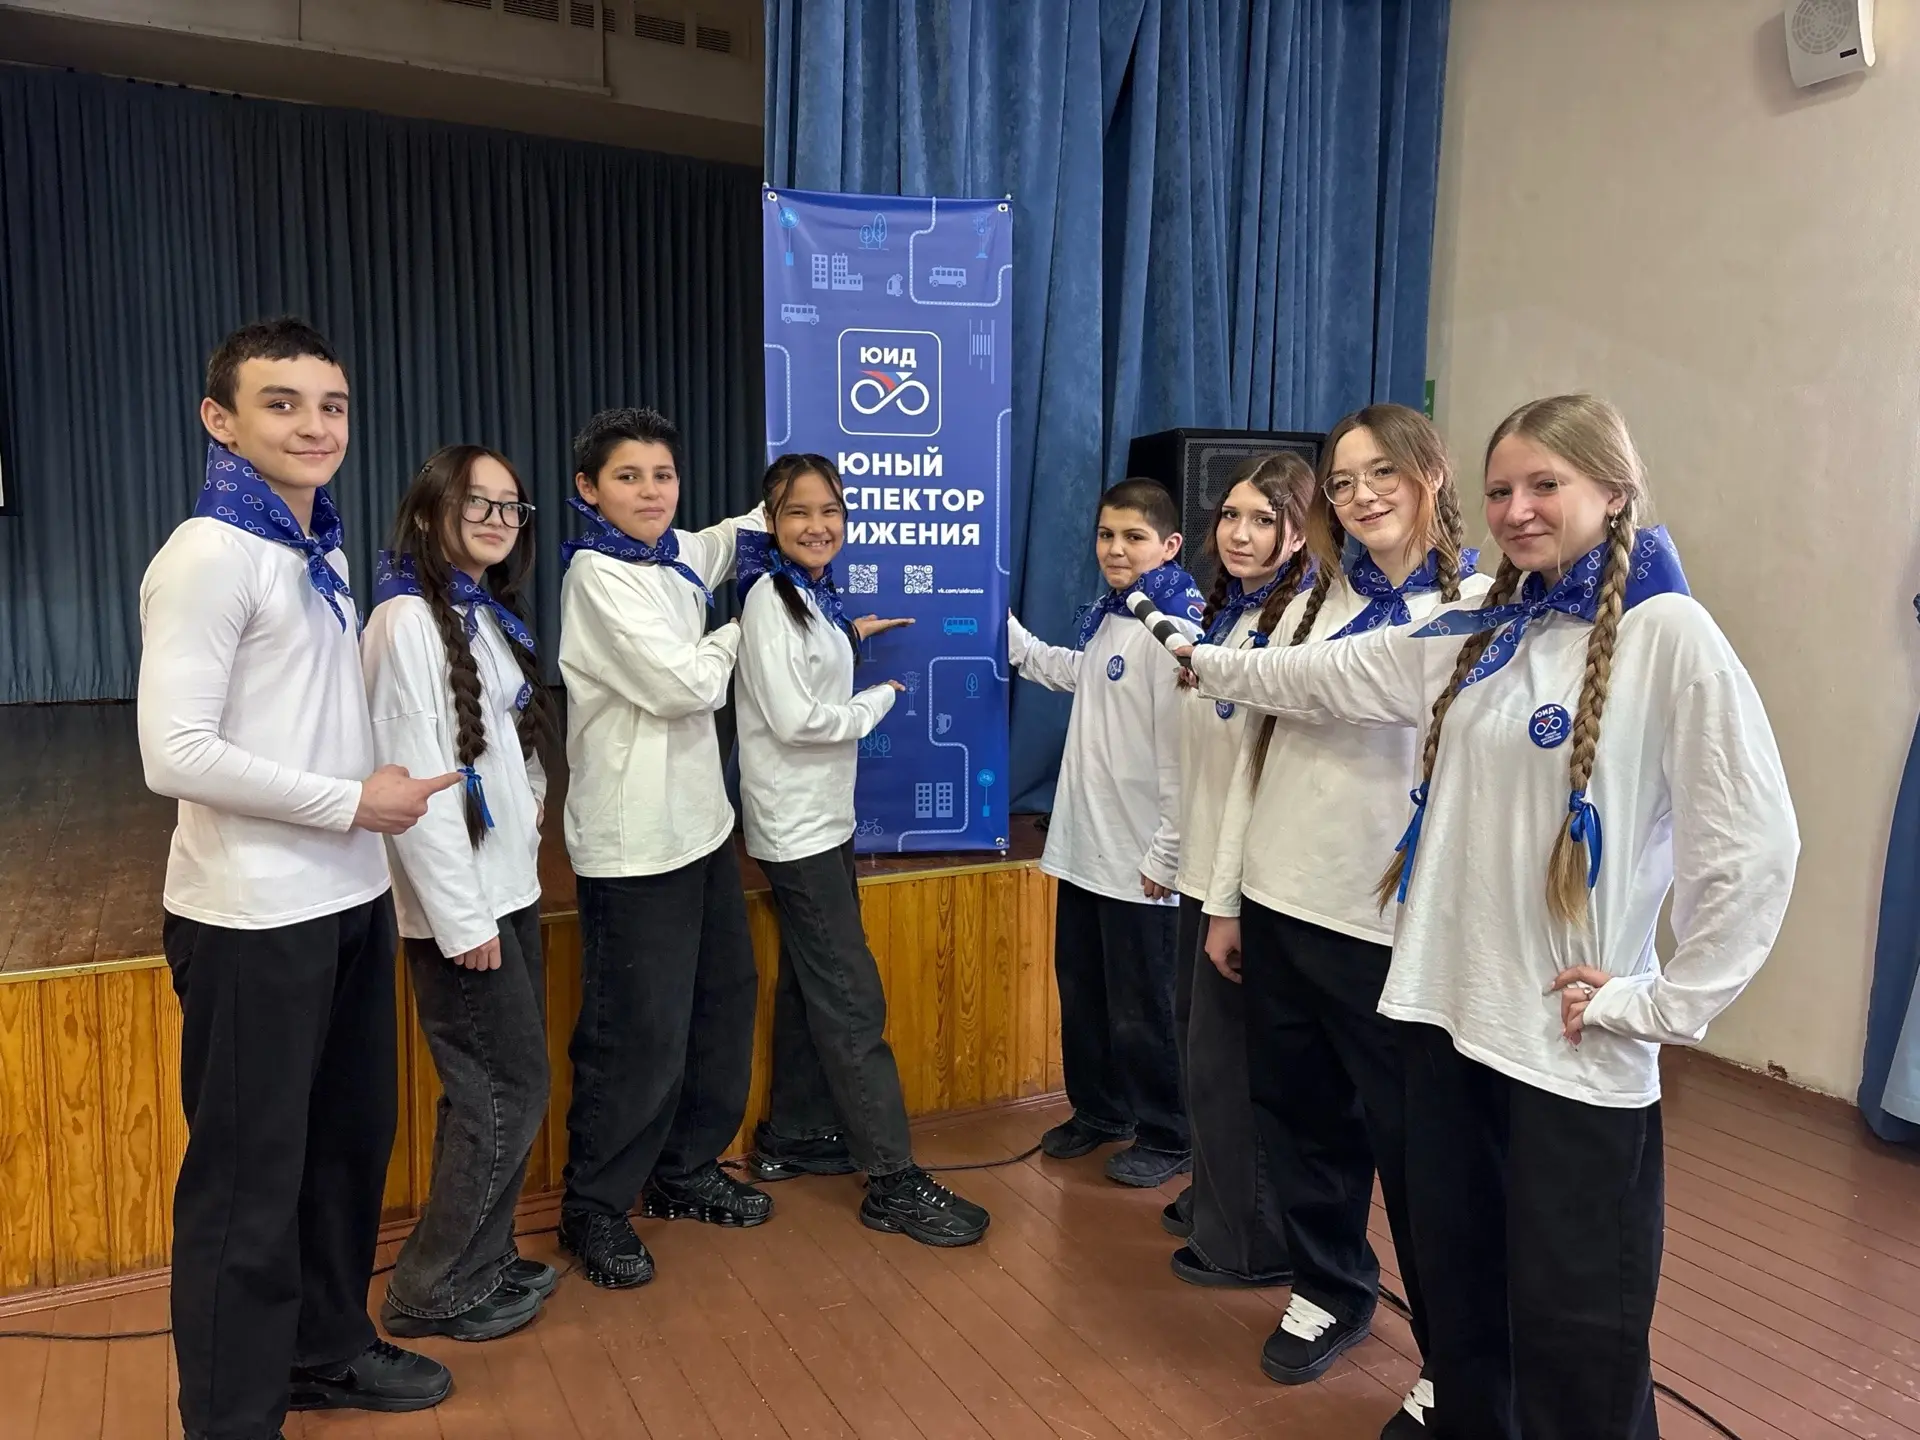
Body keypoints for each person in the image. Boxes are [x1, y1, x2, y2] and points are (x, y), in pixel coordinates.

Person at [1186, 395, 1799, 1440]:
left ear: (1615, 493)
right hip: (1446, 1027)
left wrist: (1663, 1001)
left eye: (1546, 486)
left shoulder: (1670, 635)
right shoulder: (1484, 628)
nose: (1518, 510)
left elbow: (1753, 844)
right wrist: (1205, 658)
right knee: (1464, 1305)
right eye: (1504, 488)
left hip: (1567, 1049)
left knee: (1576, 1339)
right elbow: (1330, 674)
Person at [139, 317, 456, 1440]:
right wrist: (349, 802)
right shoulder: (207, 555)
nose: (316, 425)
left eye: (333, 405)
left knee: (344, 1152)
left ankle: (325, 1348)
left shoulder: (311, 547)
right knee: (248, 1182)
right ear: (219, 421)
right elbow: (174, 754)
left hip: (347, 900)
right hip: (252, 917)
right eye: (282, 403)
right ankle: (232, 1416)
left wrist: (362, 799)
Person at [1198, 405, 1489, 1429]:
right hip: (1283, 901)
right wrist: (1227, 899)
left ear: (1431, 472)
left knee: (1423, 1157)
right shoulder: (1312, 599)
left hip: (1395, 931)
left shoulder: (1477, 606)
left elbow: (1368, 698)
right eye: (1344, 479)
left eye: (1382, 473)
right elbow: (1255, 751)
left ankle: (1455, 1359)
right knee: (1300, 1119)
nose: (1361, 495)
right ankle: (1328, 1285)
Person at [735, 452, 991, 1245]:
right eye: (798, 512)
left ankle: (794, 1133)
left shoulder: (807, 596)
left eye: (830, 512)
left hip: (823, 821)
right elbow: (797, 719)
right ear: (770, 521)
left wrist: (849, 634)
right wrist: (876, 698)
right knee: (852, 996)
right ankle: (892, 1181)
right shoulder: (769, 599)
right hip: (797, 829)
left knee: (810, 982)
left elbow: (801, 664)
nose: (818, 526)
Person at [556, 406, 770, 1289]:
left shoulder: (675, 551)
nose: (651, 493)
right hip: (633, 843)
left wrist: (797, 503)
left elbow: (734, 534)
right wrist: (746, 624)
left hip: (702, 828)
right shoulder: (598, 577)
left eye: (663, 475)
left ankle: (684, 1171)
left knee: (722, 1000)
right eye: (628, 477)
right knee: (635, 1032)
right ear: (588, 489)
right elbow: (684, 686)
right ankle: (594, 1208)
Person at [361, 445, 562, 1341]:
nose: (496, 519)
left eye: (510, 506)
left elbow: (504, 747)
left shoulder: (480, 614)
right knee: (503, 1091)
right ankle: (433, 1287)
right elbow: (415, 786)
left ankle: (481, 1258)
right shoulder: (406, 620)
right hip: (466, 908)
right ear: (428, 510)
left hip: (505, 888)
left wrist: (531, 806)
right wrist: (461, 920)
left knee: (497, 1088)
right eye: (476, 502)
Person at [1009, 477, 1203, 1187]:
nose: (1115, 549)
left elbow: (1184, 757)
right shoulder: (1116, 617)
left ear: (1169, 545)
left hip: (1141, 863)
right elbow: (1084, 676)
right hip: (1086, 850)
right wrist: (1009, 634)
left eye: (1133, 537)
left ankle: (1169, 1133)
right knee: (1086, 994)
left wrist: (1166, 853)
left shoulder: (1175, 630)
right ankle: (1099, 1110)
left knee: (1144, 1007)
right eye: (1105, 535)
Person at [1165, 452, 1314, 1289]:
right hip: (1202, 871)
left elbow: (1264, 781)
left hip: (1248, 884)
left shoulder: (1296, 631)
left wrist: (1229, 898)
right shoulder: (1227, 618)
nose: (1241, 534)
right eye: (1230, 516)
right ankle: (1215, 1197)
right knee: (1202, 1052)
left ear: (1301, 532)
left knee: (1236, 1064)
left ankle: (1252, 1239)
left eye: (1264, 519)